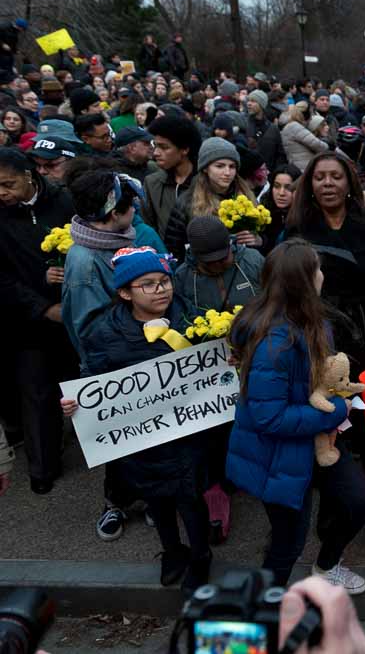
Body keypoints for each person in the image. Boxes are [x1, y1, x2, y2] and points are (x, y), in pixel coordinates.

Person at [226, 239, 365, 592]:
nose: (323, 275)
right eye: (317, 269)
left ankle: (326, 566)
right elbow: (269, 418)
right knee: (287, 543)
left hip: (316, 441)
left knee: (357, 502)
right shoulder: (275, 344)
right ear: (303, 281)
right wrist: (336, 410)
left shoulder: (313, 320)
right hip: (279, 455)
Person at [63, 247, 211, 592]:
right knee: (156, 497)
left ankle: (201, 557)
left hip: (186, 435)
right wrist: (74, 405)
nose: (161, 289)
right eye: (148, 284)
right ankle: (173, 551)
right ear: (125, 292)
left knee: (190, 498)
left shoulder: (193, 320)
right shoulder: (104, 334)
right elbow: (91, 382)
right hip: (141, 439)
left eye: (164, 281)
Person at [285, 151, 365, 548]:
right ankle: (334, 505)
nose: (327, 183)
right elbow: (284, 287)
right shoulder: (297, 229)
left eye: (335, 176)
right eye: (319, 177)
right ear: (310, 184)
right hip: (317, 337)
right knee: (325, 423)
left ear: (349, 183)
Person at [0, 148, 78, 495]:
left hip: (74, 312)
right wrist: (41, 307)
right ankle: (42, 467)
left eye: (8, 184)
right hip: (26, 319)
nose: (2, 193)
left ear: (30, 176)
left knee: (81, 383)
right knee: (37, 391)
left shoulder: (63, 201)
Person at [164, 138, 262, 261]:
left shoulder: (248, 197)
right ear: (205, 168)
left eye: (232, 166)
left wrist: (258, 241)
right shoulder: (187, 202)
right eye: (220, 166)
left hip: (242, 270)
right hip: (202, 272)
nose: (227, 172)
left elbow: (266, 240)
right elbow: (174, 248)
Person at [173, 216, 263, 313]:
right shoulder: (182, 277)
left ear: (230, 245)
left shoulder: (253, 260)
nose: (217, 265)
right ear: (196, 256)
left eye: (222, 259)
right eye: (209, 262)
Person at [145, 115, 201, 238]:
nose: (156, 153)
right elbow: (149, 227)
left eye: (164, 147)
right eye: (155, 146)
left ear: (184, 149)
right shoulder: (152, 182)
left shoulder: (206, 182)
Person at [258, 163, 301, 254]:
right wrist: (261, 242)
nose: (281, 193)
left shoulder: (307, 215)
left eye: (288, 188)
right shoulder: (262, 212)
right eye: (276, 186)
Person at [280, 102, 330, 170]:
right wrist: (327, 144)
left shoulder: (291, 126)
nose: (311, 118)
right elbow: (318, 145)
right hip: (303, 168)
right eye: (310, 115)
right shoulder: (294, 126)